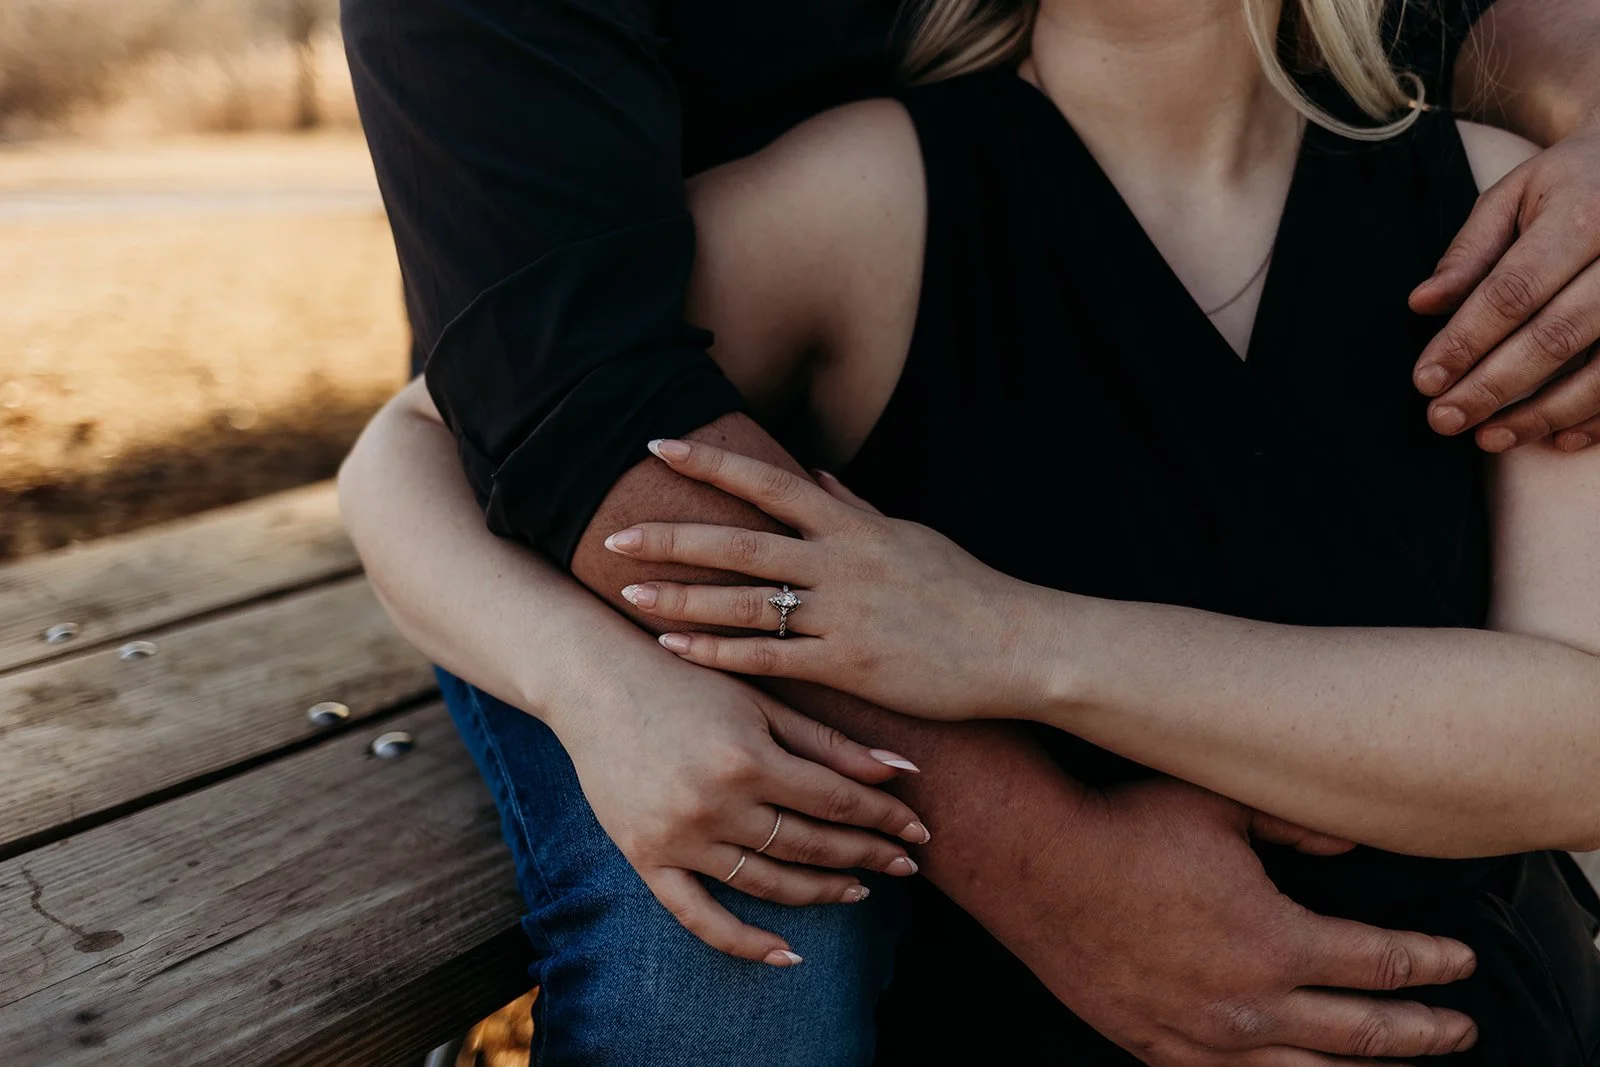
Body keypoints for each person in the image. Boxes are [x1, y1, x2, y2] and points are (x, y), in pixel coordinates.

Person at [340, 0, 1600, 1062]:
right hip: (1027, 1014)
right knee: (734, 936)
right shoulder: (868, 199)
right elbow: (460, 434)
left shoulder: (1498, 212)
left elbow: (1580, 736)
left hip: (1458, 1013)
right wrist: (592, 675)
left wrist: (1011, 638)